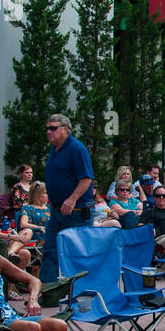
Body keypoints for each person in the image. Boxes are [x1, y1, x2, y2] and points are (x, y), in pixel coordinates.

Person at [40, 114, 94, 281]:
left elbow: (86, 178)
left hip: (77, 212)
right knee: (50, 251)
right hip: (57, 212)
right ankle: (48, 294)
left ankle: (81, 296)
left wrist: (72, 199)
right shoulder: (54, 150)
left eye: (53, 128)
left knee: (78, 255)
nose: (49, 132)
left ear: (65, 129)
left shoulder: (77, 148)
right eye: (47, 128)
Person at [140, 185, 165, 259]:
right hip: (161, 238)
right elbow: (140, 226)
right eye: (158, 196)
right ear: (154, 197)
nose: (161, 197)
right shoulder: (149, 212)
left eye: (164, 196)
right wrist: (150, 230)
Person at [18, 181, 51, 252]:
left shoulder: (49, 208)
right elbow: (23, 224)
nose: (49, 194)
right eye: (45, 193)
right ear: (37, 195)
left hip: (50, 235)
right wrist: (38, 227)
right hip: (37, 237)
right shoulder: (28, 208)